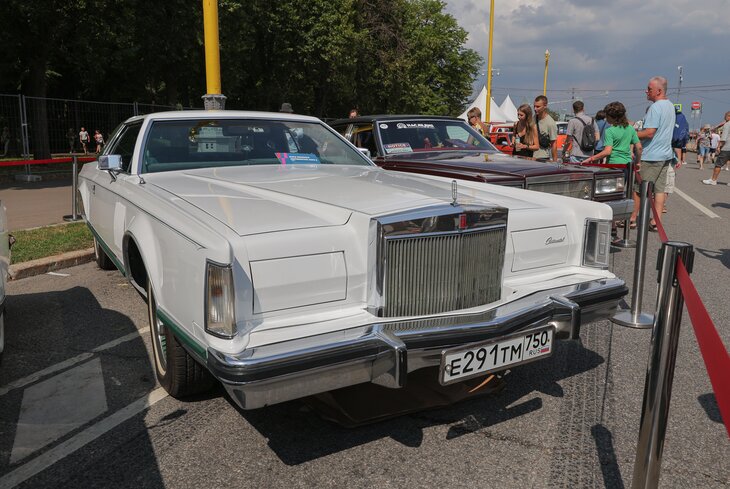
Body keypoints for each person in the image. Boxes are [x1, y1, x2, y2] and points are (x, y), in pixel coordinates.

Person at [585, 102, 642, 227]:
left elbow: (607, 151)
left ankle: (613, 225)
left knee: (610, 196)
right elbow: (639, 147)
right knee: (622, 194)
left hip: (613, 166)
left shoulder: (610, 131)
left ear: (613, 117)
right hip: (627, 166)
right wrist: (637, 162)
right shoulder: (630, 129)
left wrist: (592, 158)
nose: (606, 119)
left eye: (608, 117)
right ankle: (619, 221)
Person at [635, 76, 675, 231]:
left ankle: (632, 218)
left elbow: (650, 132)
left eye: (649, 89)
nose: (646, 91)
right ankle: (656, 221)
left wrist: (631, 135)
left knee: (639, 189)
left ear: (658, 91)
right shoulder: (670, 105)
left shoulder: (655, 107)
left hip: (651, 155)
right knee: (659, 190)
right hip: (665, 154)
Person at [702, 111, 730, 185]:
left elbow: (723, 138)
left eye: (725, 116)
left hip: (727, 148)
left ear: (729, 116)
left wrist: (719, 146)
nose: (724, 117)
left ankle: (713, 180)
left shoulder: (727, 124)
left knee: (718, 164)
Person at [533, 95, 558, 161]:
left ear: (545, 106)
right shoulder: (533, 119)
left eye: (538, 107)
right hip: (530, 157)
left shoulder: (550, 123)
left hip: (542, 158)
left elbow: (554, 144)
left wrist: (555, 162)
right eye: (534, 106)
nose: (535, 109)